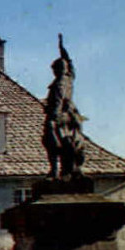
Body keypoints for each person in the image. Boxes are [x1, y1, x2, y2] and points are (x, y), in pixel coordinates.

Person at [42, 34, 87, 180]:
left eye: (53, 69)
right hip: (71, 115)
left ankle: (55, 170)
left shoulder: (60, 83)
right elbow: (69, 62)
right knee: (67, 142)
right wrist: (62, 49)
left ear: (56, 70)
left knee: (51, 141)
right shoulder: (69, 78)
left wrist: (53, 116)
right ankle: (70, 168)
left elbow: (58, 100)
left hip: (60, 116)